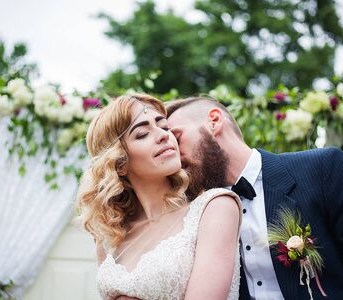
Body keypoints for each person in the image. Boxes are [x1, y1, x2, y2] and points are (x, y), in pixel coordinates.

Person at [165, 96, 343, 300]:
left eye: (176, 137)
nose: (173, 152)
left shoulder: (322, 168)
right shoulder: (193, 212)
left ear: (214, 121)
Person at [76, 94, 242, 299]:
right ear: (119, 163)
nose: (164, 136)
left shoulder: (215, 208)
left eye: (164, 127)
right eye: (142, 133)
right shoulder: (109, 239)